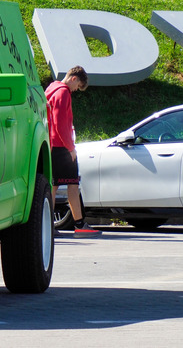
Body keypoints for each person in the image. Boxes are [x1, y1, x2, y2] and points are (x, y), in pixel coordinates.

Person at [45, 66, 102, 238]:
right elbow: (60, 123)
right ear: (74, 78)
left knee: (52, 186)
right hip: (61, 146)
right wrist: (71, 148)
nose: (76, 90)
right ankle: (79, 225)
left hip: (51, 144)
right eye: (77, 87)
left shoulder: (51, 88)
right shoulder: (63, 93)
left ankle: (48, 226)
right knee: (72, 185)